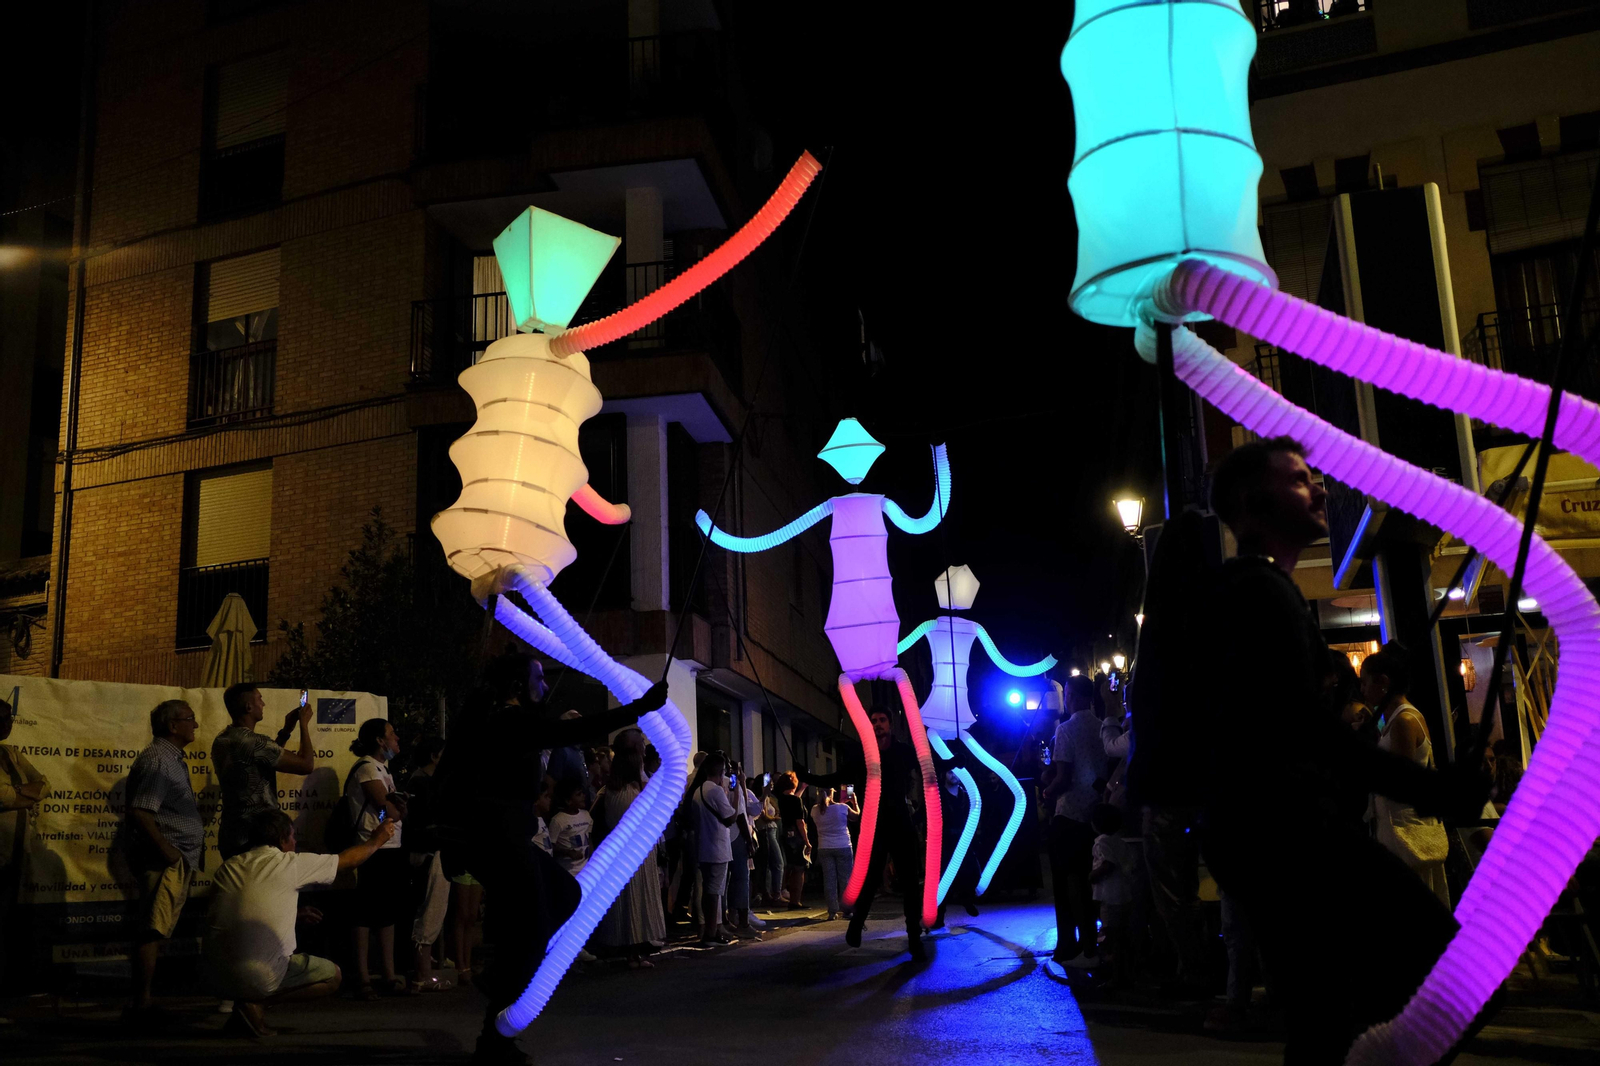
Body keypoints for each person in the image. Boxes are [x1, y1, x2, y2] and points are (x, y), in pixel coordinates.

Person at [1194, 435, 1486, 1064]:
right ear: (1251, 504)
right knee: (1449, 978)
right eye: (1299, 479)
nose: (1319, 487)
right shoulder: (1259, 594)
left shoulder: (1260, 591)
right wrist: (1438, 790)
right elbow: (1305, 731)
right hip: (1288, 834)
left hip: (1267, 835)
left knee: (1326, 1017)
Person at [433, 648, 667, 1066]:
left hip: (504, 838)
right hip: (497, 838)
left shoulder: (503, 721)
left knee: (563, 897)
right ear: (519, 685)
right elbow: (569, 733)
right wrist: (638, 708)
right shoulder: (510, 721)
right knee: (534, 928)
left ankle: (503, 979)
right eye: (538, 678)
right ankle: (496, 1028)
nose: (544, 685)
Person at [206, 808, 398, 1037]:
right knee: (332, 975)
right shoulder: (288, 863)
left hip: (212, 977)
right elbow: (347, 861)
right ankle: (253, 1005)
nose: (295, 842)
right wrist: (377, 839)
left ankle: (246, 1009)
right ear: (281, 839)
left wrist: (293, 915)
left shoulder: (230, 866)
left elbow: (243, 911)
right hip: (256, 976)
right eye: (293, 836)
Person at [802, 707, 928, 962]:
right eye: (874, 721)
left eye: (882, 720)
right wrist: (807, 777)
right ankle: (856, 925)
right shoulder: (863, 755)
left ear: (890, 724)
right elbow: (837, 777)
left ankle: (914, 937)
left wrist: (951, 761)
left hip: (901, 822)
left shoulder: (903, 751)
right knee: (870, 878)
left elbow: (927, 768)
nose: (878, 724)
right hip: (876, 823)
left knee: (910, 882)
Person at [124, 699, 204, 1027]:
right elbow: (142, 811)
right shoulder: (160, 760)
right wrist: (167, 849)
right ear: (173, 726)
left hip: (173, 858)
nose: (195, 725)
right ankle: (141, 1004)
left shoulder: (171, 759)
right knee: (152, 929)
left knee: (156, 928)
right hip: (163, 860)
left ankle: (144, 1002)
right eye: (190, 719)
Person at [1362, 643, 1452, 907]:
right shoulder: (1397, 719)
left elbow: (1398, 780)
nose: (1362, 690)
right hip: (1398, 830)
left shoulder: (1404, 720)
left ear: (1384, 683)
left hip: (1405, 835)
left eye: (1365, 682)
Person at [212, 683, 317, 861]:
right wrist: (304, 725)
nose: (263, 704)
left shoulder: (222, 740)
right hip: (257, 837)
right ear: (248, 707)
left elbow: (264, 759)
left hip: (232, 833)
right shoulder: (253, 742)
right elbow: (306, 765)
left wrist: (286, 731)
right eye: (259, 699)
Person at [342, 717, 408, 999]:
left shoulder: (383, 768)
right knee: (366, 913)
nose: (397, 739)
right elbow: (388, 808)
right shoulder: (367, 768)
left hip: (390, 846)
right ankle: (364, 977)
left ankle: (389, 974)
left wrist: (398, 807)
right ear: (380, 741)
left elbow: (396, 808)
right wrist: (400, 807)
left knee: (387, 912)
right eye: (392, 735)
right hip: (371, 847)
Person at [593, 727, 667, 969]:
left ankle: (631, 949)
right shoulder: (627, 787)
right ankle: (632, 950)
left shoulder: (618, 785)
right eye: (641, 744)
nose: (645, 747)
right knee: (633, 897)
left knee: (630, 898)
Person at [1043, 674, 1102, 968]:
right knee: (1091, 878)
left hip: (1069, 814)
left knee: (1069, 881)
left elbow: (1063, 777)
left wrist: (1047, 790)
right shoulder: (1102, 727)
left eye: (1066, 693)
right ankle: (1094, 940)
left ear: (1074, 696)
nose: (1064, 699)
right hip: (1095, 814)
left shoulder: (1065, 730)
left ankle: (1074, 942)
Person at [0, 697, 51, 989]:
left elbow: (45, 784)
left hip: (17, 851)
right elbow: (1, 796)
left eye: (10, 717)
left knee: (11, 920)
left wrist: (16, 791)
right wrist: (23, 793)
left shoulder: (12, 753)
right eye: (2, 717)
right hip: (1, 850)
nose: (8, 723)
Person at [404, 736, 452, 993]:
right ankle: (423, 975)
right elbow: (427, 822)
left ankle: (424, 973)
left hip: (429, 852)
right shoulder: (422, 783)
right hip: (429, 853)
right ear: (434, 756)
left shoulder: (421, 781)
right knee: (429, 911)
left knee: (431, 910)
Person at [690, 751, 740, 945]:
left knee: (707, 890)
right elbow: (731, 817)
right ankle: (711, 932)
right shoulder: (716, 791)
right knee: (714, 891)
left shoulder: (698, 790)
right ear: (720, 771)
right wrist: (736, 793)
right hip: (718, 847)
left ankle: (708, 930)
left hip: (703, 846)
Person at [1088, 803, 1134, 990]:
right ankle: (1125, 974)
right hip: (1124, 894)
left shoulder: (1101, 842)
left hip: (1110, 896)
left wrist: (1092, 876)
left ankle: (1114, 978)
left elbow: (1108, 864)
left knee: (1111, 937)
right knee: (1123, 937)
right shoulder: (1120, 841)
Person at [725, 764, 766, 935]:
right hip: (736, 836)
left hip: (724, 837)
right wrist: (749, 841)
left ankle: (729, 918)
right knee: (741, 878)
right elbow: (741, 813)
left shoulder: (721, 786)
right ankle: (742, 920)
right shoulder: (733, 787)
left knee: (726, 882)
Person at [811, 786, 859, 921]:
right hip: (843, 845)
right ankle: (847, 910)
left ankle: (832, 911)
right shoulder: (842, 808)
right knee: (845, 879)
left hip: (824, 847)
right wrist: (854, 802)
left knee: (829, 880)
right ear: (832, 794)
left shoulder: (814, 810)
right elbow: (856, 817)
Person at [773, 772, 810, 911]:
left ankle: (781, 893)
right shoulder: (795, 801)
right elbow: (800, 821)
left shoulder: (779, 799)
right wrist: (807, 841)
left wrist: (802, 789)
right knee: (799, 868)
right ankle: (796, 900)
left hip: (782, 834)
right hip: (796, 836)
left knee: (787, 866)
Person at [547, 778, 593, 877]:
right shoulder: (558, 820)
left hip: (585, 870)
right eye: (578, 794)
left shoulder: (586, 815)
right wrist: (567, 852)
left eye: (582, 793)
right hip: (568, 872)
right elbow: (551, 846)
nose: (583, 796)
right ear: (568, 801)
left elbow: (588, 839)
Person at [754, 782, 786, 906]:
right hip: (766, 830)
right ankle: (775, 894)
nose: (771, 785)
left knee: (771, 863)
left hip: (772, 830)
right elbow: (765, 817)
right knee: (777, 862)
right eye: (768, 782)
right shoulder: (761, 799)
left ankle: (772, 893)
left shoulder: (769, 798)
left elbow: (775, 812)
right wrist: (774, 818)